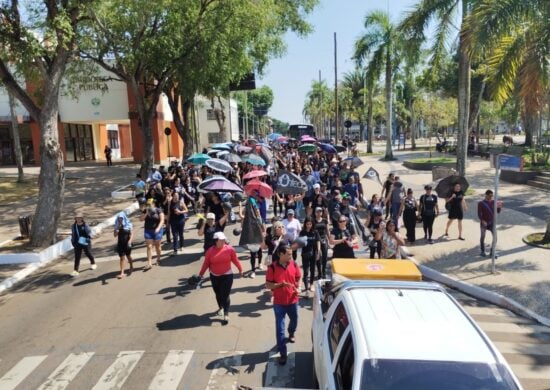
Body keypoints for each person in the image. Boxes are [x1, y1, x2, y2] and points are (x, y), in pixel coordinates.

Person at [265, 243, 302, 366]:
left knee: (294, 320)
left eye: (291, 254)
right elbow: (269, 285)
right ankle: (283, 353)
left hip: (293, 300)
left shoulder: (294, 264)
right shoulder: (272, 268)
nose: (291, 256)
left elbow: (298, 277)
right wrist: (280, 285)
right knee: (280, 330)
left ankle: (291, 332)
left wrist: (299, 286)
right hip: (279, 303)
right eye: (289, 254)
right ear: (281, 254)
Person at [198, 232, 243, 325]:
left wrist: (240, 269)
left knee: (225, 295)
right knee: (218, 294)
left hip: (227, 275)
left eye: (224, 240)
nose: (223, 241)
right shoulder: (210, 251)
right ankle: (221, 308)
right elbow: (206, 263)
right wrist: (201, 274)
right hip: (214, 276)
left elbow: (235, 260)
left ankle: (226, 314)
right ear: (215, 241)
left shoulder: (230, 249)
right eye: (221, 240)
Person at [139, 200, 164, 270]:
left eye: (149, 204)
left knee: (157, 246)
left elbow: (162, 220)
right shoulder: (145, 211)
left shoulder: (159, 210)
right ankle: (149, 263)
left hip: (157, 231)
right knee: (149, 247)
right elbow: (140, 219)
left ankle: (158, 259)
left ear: (153, 204)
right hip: (148, 231)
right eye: (147, 204)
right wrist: (146, 213)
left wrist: (158, 228)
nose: (148, 206)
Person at [299, 217, 321, 294]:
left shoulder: (315, 232)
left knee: (312, 270)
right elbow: (300, 243)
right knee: (305, 271)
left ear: (312, 224)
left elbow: (318, 241)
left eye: (310, 224)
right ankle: (306, 287)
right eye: (307, 224)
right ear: (305, 224)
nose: (309, 226)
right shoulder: (302, 232)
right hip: (305, 253)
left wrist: (318, 251)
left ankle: (311, 284)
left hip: (313, 253)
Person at [70, 212, 97, 276]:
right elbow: (73, 234)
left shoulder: (85, 225)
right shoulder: (73, 226)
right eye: (77, 218)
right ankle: (75, 270)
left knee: (88, 253)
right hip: (77, 243)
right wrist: (73, 242)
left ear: (82, 218)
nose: (78, 219)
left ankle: (93, 263)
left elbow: (89, 233)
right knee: (77, 257)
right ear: (75, 219)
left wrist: (88, 239)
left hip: (85, 242)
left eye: (79, 218)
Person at [477, 190, 502, 257]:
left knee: (495, 238)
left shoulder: (494, 202)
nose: (491, 197)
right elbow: (479, 213)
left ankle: (492, 252)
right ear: (486, 195)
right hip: (484, 223)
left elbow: (498, 212)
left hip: (492, 223)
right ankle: (482, 251)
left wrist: (499, 207)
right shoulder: (481, 203)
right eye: (490, 196)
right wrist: (482, 220)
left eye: (492, 196)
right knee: (482, 237)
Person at [114, 211, 133, 279]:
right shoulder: (116, 225)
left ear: (124, 218)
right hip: (120, 243)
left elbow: (131, 234)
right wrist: (117, 230)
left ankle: (131, 265)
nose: (120, 220)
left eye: (121, 218)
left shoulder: (128, 225)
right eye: (119, 218)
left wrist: (130, 241)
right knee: (122, 258)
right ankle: (122, 272)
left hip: (127, 243)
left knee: (128, 256)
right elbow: (115, 235)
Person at [169, 191, 188, 256]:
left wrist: (180, 212)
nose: (176, 197)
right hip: (173, 221)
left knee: (181, 234)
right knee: (175, 236)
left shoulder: (181, 202)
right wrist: (168, 221)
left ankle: (181, 246)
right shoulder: (170, 202)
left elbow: (186, 210)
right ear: (173, 196)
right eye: (175, 195)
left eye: (177, 196)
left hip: (180, 220)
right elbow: (169, 211)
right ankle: (175, 249)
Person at [313, 207, 330, 278]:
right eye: (317, 211)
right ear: (315, 212)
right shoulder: (313, 221)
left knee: (325, 256)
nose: (319, 213)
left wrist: (330, 239)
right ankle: (319, 272)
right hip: (316, 240)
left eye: (320, 211)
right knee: (318, 256)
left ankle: (323, 271)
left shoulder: (325, 220)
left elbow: (327, 230)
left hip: (324, 239)